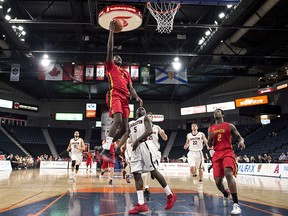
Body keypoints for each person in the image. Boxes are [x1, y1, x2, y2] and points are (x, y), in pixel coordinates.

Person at [116, 107, 177, 214]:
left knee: (153, 171)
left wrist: (137, 141)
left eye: (142, 108)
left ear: (144, 112)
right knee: (136, 174)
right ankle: (141, 204)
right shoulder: (131, 123)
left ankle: (170, 195)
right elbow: (126, 135)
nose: (140, 108)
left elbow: (149, 131)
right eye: (139, 108)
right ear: (135, 113)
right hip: (135, 149)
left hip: (145, 145)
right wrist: (118, 147)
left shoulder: (146, 118)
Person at [100, 19, 143, 164]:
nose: (117, 56)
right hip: (115, 94)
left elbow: (131, 87)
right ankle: (106, 149)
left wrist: (137, 97)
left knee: (125, 129)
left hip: (126, 98)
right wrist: (111, 31)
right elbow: (110, 50)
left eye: (120, 57)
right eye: (115, 56)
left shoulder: (126, 72)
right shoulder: (110, 66)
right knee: (117, 120)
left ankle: (111, 147)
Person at [207, 109, 245, 215]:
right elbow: (210, 145)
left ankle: (236, 205)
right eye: (214, 111)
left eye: (218, 111)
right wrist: (209, 139)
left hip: (228, 152)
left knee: (228, 174)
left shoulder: (230, 126)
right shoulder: (211, 128)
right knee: (218, 182)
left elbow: (240, 137)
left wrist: (241, 142)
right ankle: (225, 193)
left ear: (222, 114)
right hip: (217, 153)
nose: (216, 112)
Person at [143, 112, 168, 201]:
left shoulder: (157, 127)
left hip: (156, 151)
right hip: (146, 150)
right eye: (148, 117)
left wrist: (163, 134)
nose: (149, 118)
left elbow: (165, 138)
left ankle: (153, 174)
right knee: (148, 171)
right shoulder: (143, 127)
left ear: (152, 118)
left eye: (150, 117)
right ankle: (146, 189)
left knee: (152, 170)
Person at [184, 123, 208, 190]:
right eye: (192, 126)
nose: (194, 127)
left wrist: (208, 145)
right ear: (191, 128)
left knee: (200, 169)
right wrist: (186, 146)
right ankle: (194, 175)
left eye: (195, 126)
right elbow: (187, 143)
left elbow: (205, 140)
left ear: (197, 127)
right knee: (192, 167)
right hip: (191, 152)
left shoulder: (201, 134)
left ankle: (200, 181)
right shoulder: (188, 135)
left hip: (199, 152)